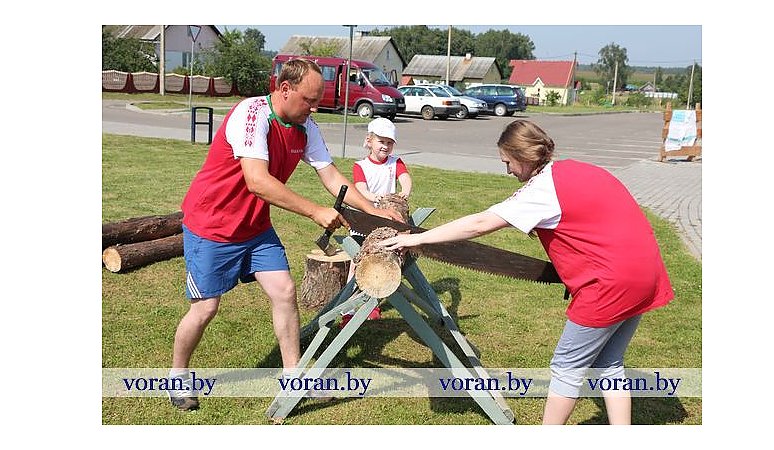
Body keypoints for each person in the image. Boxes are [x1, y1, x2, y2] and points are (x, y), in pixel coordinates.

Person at [379, 119, 674, 425]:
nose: (507, 170)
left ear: (521, 156)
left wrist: (416, 239)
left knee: (566, 369)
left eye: (507, 162)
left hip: (610, 284)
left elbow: (480, 224)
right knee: (609, 364)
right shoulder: (575, 169)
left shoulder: (543, 189)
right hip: (646, 272)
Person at [168, 58, 403, 411]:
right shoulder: (252, 114)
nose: (314, 108)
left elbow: (330, 175)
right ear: (285, 89)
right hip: (213, 226)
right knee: (205, 308)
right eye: (308, 100)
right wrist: (315, 211)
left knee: (285, 291)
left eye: (317, 100)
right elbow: (257, 181)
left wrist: (373, 210)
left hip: (255, 228)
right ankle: (177, 376)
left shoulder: (306, 126)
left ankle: (295, 378)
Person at [341, 117, 413, 323]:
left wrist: (404, 191)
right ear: (369, 141)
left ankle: (372, 305)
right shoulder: (360, 165)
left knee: (382, 262)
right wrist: (376, 198)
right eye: (381, 141)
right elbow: (361, 190)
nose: (385, 146)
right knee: (357, 263)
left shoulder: (395, 162)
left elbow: (405, 178)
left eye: (389, 143)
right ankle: (348, 310)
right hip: (364, 220)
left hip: (387, 222)